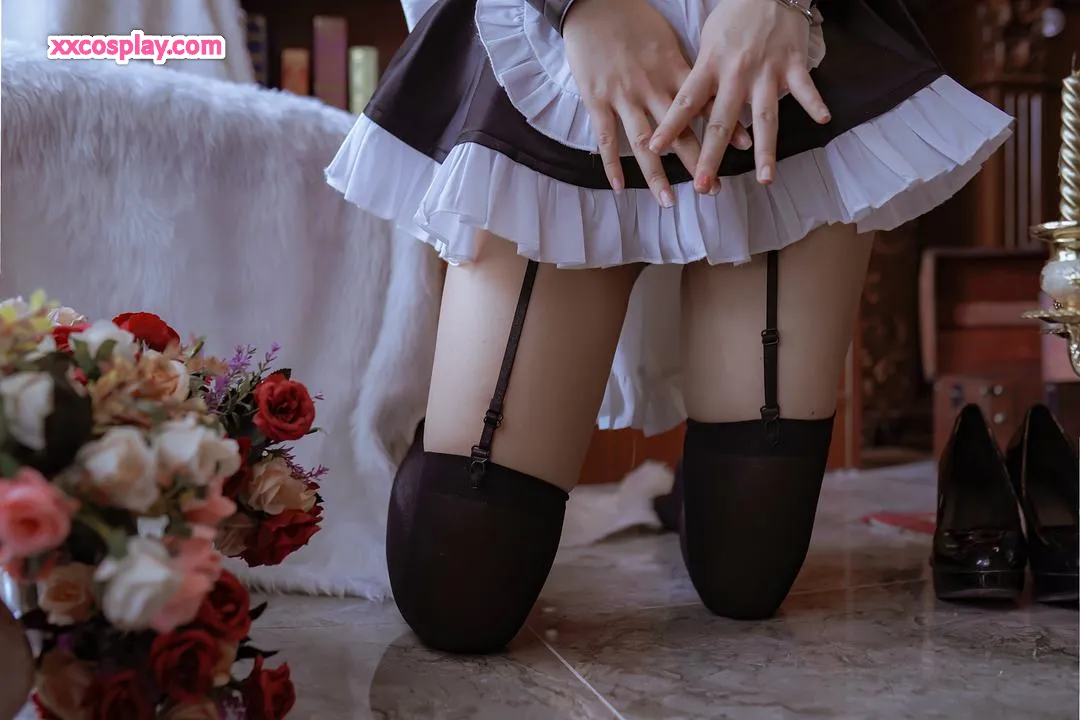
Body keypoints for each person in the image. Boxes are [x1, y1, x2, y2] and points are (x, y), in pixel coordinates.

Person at [326, 0, 1011, 654]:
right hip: (558, 46)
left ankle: (691, 488)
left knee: (747, 575)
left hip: (784, 42)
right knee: (460, 593)